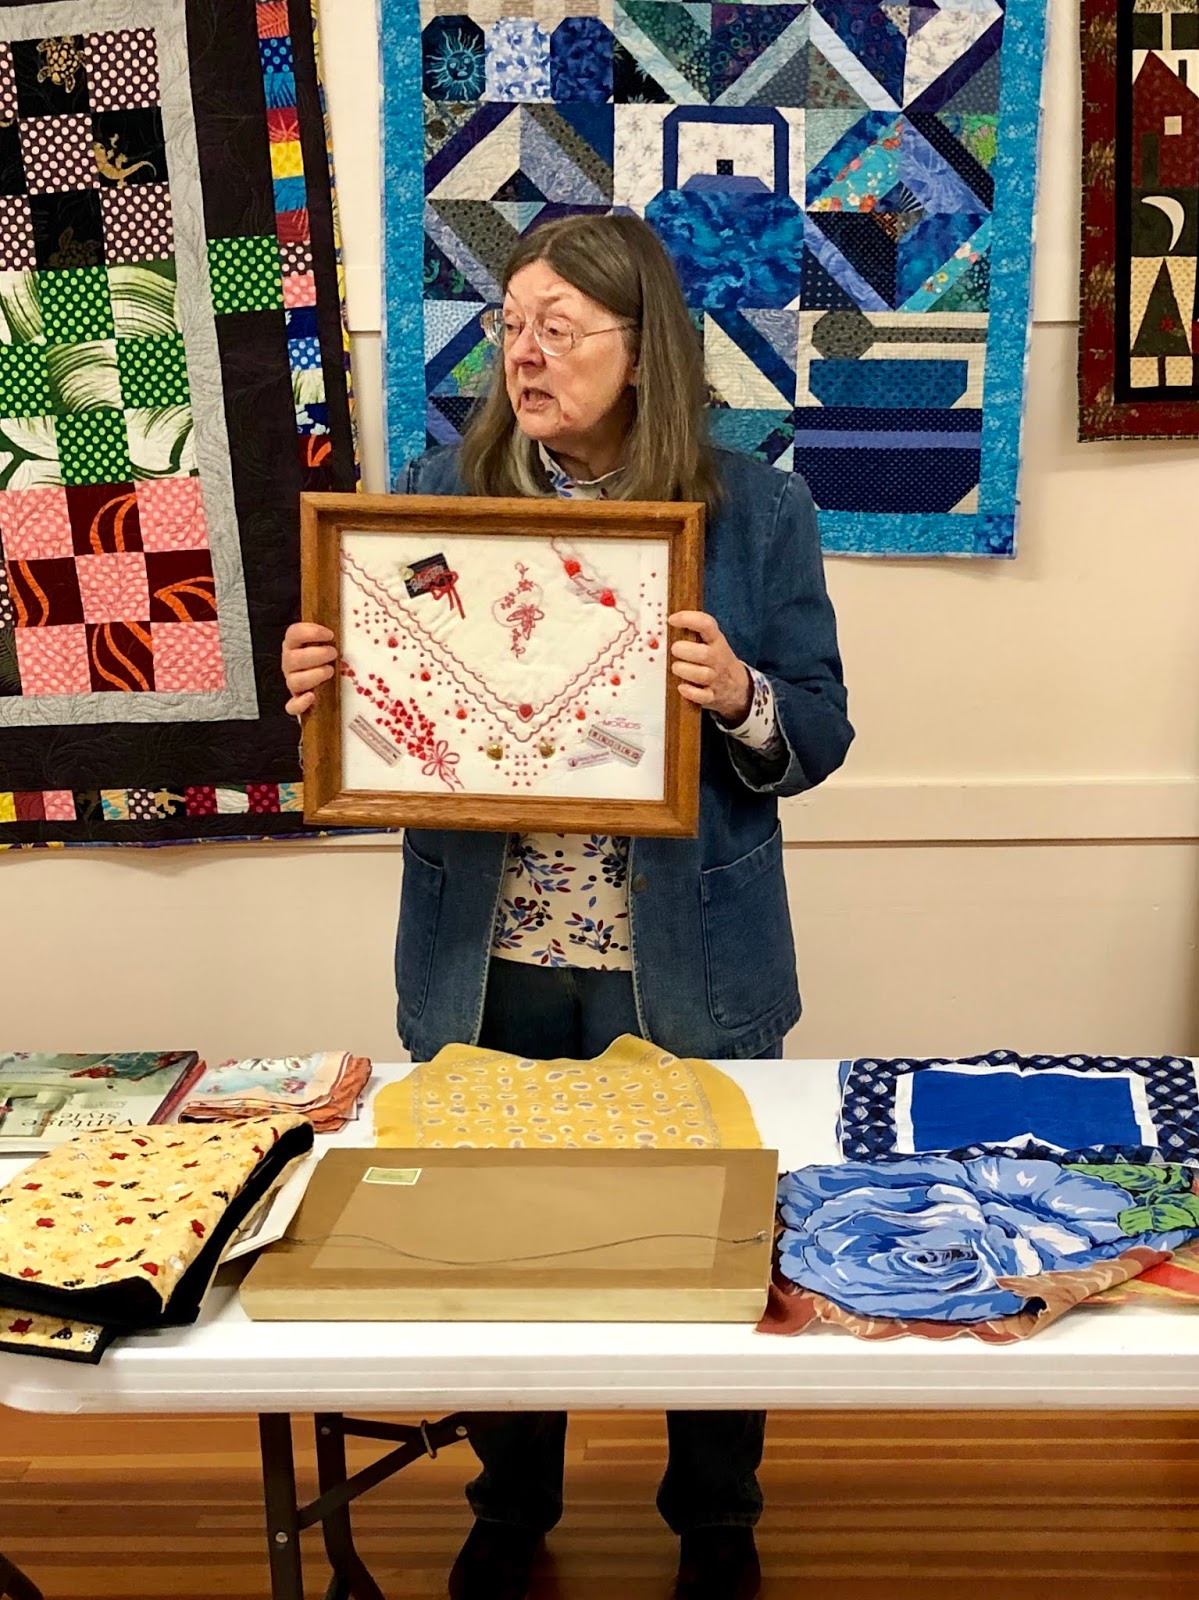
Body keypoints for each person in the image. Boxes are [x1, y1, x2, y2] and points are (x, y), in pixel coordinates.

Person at [282, 214, 853, 1600]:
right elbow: (400, 701)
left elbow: (821, 733)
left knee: (717, 1228)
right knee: (496, 1228)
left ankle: (715, 1518)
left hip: (684, 954)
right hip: (490, 949)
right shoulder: (438, 495)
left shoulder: (757, 510)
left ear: (643, 349)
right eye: (511, 325)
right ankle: (512, 1497)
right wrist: (331, 687)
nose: (524, 354)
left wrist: (742, 697)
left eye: (560, 328)